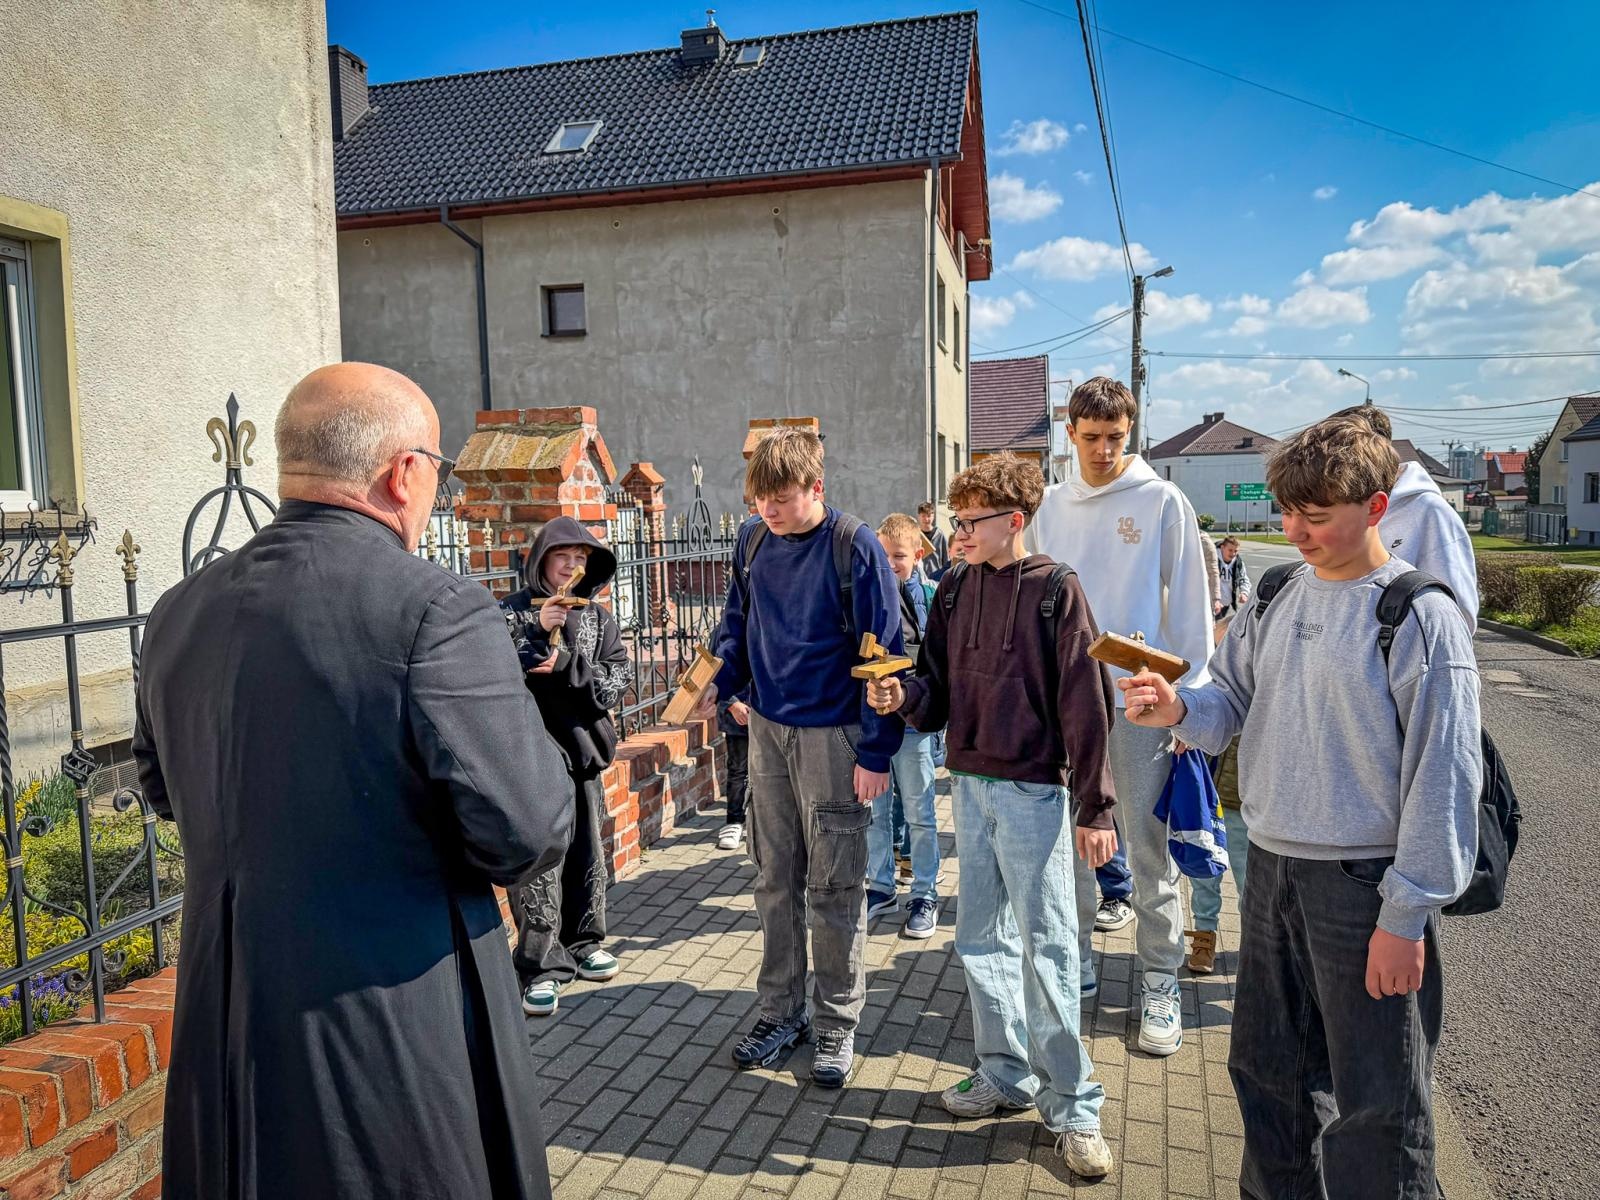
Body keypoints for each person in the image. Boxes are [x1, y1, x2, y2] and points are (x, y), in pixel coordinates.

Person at [133, 363, 574, 1200]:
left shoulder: (178, 609)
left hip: (225, 1039)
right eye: (438, 472)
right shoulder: (435, 609)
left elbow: (164, 789)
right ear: (403, 472)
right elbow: (527, 829)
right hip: (392, 1031)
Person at [1119, 415, 1481, 1199]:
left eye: (1316, 517)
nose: (1295, 531)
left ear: (1378, 507)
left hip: (1364, 884)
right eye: (1288, 513)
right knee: (1266, 1072)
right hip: (1274, 865)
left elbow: (1445, 777)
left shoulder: (1420, 615)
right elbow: (1231, 698)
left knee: (1379, 1104)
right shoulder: (1279, 592)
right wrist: (1178, 710)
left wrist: (1406, 913)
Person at [868, 453, 1117, 1179]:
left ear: (1014, 520)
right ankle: (1004, 1075)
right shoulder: (952, 589)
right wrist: (901, 698)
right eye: (953, 520)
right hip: (968, 787)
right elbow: (936, 689)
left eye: (969, 521)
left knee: (1050, 949)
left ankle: (1075, 1107)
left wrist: (1095, 806)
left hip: (1035, 795)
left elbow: (1086, 705)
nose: (955, 533)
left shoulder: (1057, 592)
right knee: (979, 940)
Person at [691, 427, 903, 1087]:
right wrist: (716, 684)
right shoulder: (752, 540)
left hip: (836, 737)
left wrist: (876, 749)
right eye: (759, 500)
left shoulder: (855, 547)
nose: (769, 512)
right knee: (773, 879)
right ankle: (779, 1012)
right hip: (767, 731)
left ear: (817, 487)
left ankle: (836, 1024)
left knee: (834, 885)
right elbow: (735, 623)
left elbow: (882, 653)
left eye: (781, 499)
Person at [1028, 377, 1214, 1057]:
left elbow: (1190, 604)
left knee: (1146, 846)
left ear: (1129, 433)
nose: (1103, 449)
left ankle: (1159, 976)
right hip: (1065, 701)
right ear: (1069, 432)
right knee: (1072, 841)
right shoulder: (1049, 506)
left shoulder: (1162, 499)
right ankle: (1076, 961)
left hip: (1138, 701)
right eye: (1091, 436)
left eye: (1115, 437)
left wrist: (1187, 701)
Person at [501, 517, 633, 1017]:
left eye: (581, 558)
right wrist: (539, 628)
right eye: (563, 557)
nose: (572, 567)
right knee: (539, 858)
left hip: (581, 751)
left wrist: (566, 667)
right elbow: (496, 668)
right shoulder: (512, 612)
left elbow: (614, 682)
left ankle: (585, 940)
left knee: (586, 849)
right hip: (530, 756)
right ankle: (539, 963)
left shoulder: (598, 618)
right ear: (542, 561)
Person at [863, 513, 941, 940]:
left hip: (913, 726)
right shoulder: (867, 595)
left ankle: (925, 892)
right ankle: (880, 885)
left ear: (918, 554)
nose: (890, 564)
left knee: (920, 813)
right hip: (874, 723)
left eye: (899, 556)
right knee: (875, 812)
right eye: (882, 554)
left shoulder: (930, 595)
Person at [1334, 404, 1479, 624]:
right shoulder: (1343, 508)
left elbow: (1457, 612)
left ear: (1377, 449)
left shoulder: (1430, 511)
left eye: (1343, 451)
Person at [1183, 737, 1246, 973]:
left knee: (1251, 885)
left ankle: (1253, 943)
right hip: (1209, 795)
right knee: (1204, 876)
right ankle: (1204, 935)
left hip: (1246, 803)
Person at [716, 689, 752, 849]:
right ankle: (734, 822)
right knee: (738, 770)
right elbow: (717, 676)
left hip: (773, 714)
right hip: (738, 719)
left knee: (775, 771)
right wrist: (732, 703)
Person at [1215, 535, 1252, 640]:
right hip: (1212, 603)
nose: (1233, 554)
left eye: (1236, 551)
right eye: (1230, 550)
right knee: (1211, 632)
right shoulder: (1212, 559)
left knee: (1219, 632)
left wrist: (1244, 592)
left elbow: (1243, 578)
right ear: (1222, 547)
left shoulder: (1238, 562)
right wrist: (1214, 599)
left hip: (1225, 605)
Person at [917, 500, 951, 580]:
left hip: (937, 577)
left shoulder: (939, 534)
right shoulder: (915, 534)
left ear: (933, 516)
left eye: (929, 516)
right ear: (919, 516)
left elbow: (946, 558)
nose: (926, 519)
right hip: (920, 577)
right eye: (923, 516)